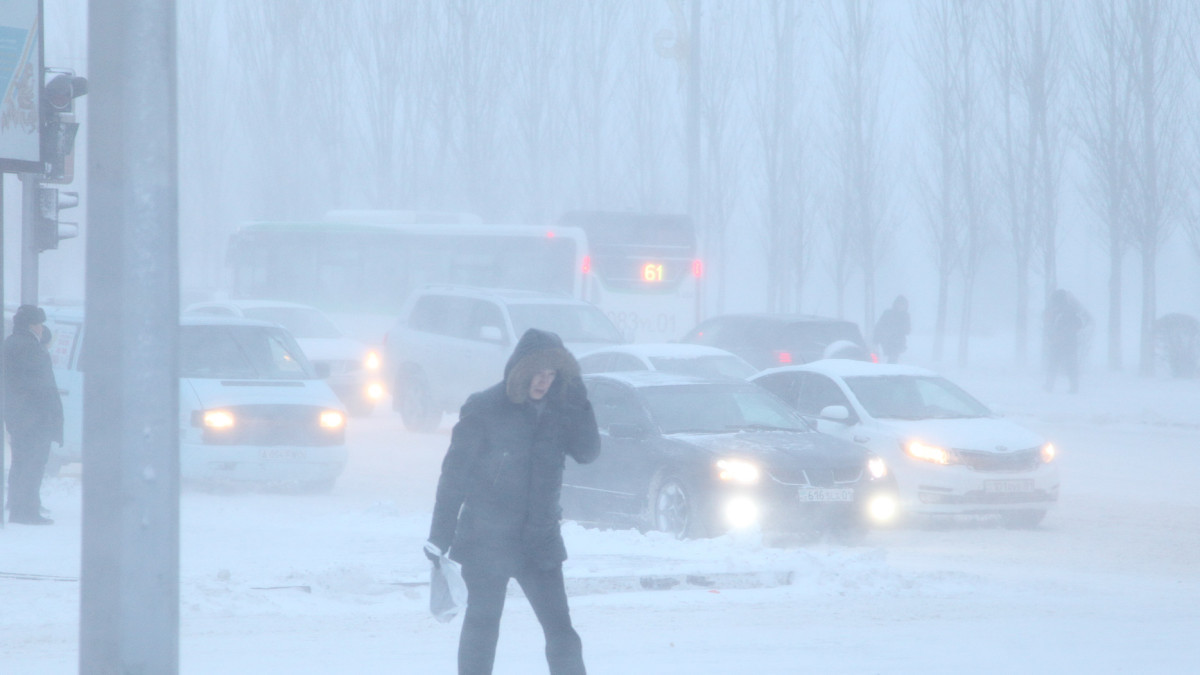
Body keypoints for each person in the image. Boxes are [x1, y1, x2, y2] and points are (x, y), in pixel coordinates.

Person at [425, 328, 600, 675]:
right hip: (487, 540)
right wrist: (439, 536)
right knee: (482, 629)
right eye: (537, 372)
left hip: (540, 539)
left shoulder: (560, 410)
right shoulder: (485, 408)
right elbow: (454, 477)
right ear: (520, 369)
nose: (543, 381)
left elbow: (588, 453)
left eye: (551, 374)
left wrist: (579, 398)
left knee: (561, 631)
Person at [3, 305, 64, 525]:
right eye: (39, 324)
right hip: (34, 418)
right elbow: (40, 386)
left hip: (21, 417)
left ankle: (19, 504)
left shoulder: (13, 343)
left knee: (21, 461)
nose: (41, 329)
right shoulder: (29, 347)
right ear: (32, 325)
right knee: (33, 463)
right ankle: (25, 510)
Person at [1044, 289, 1085, 393]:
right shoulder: (1055, 311)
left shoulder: (1069, 311)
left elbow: (1078, 324)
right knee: (1054, 365)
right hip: (1058, 343)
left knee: (1069, 366)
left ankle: (1073, 387)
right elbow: (1050, 325)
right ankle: (1049, 386)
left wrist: (1065, 333)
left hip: (1067, 344)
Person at [873, 295, 911, 364]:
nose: (901, 306)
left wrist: (899, 329)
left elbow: (907, 331)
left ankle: (891, 369)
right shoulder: (887, 313)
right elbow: (879, 326)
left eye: (903, 305)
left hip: (898, 342)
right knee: (877, 359)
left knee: (893, 358)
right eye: (899, 304)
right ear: (895, 304)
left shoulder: (906, 316)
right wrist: (876, 340)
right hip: (886, 340)